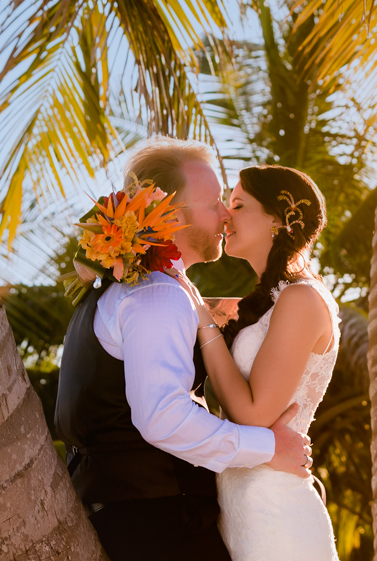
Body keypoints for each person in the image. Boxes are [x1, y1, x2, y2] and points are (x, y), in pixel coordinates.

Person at [55, 139, 314, 561]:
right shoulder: (157, 294)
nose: (226, 214)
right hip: (160, 527)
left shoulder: (131, 289)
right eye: (214, 202)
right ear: (174, 214)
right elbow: (161, 417)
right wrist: (269, 448)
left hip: (131, 515)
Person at [173, 165, 342, 561]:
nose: (226, 214)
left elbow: (252, 414)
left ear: (277, 220)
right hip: (241, 507)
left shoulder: (302, 300)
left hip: (277, 518)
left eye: (238, 204)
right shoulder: (269, 303)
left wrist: (202, 320)